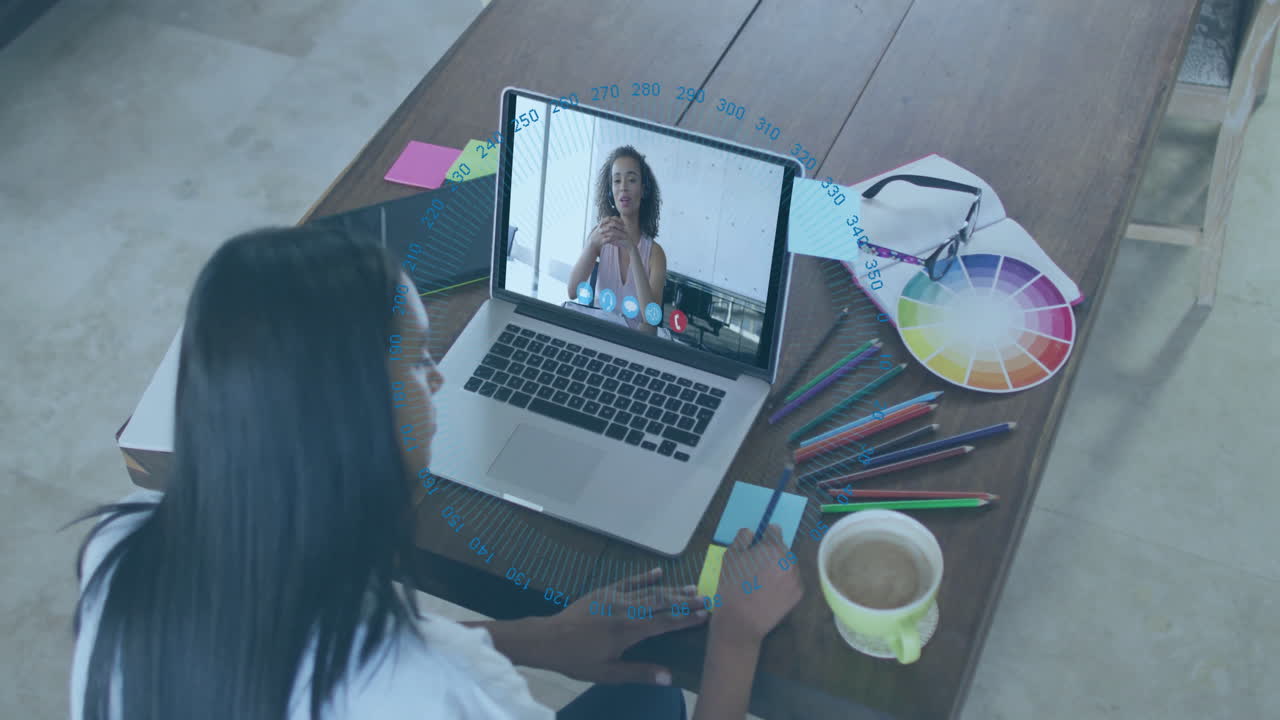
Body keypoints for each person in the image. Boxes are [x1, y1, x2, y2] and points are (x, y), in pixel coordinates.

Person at [69, 225, 802, 720]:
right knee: (661, 696)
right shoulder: (431, 695)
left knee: (643, 698)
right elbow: (406, 673)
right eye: (419, 362)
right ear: (363, 427)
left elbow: (308, 644)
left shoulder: (121, 552)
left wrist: (540, 637)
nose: (440, 380)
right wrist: (734, 640)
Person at [567, 146, 668, 335]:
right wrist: (592, 245)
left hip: (635, 345)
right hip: (598, 335)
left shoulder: (656, 254)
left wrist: (632, 250)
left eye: (631, 180)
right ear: (610, 191)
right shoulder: (599, 236)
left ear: (644, 189)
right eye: (617, 181)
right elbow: (572, 291)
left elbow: (652, 319)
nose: (623, 187)